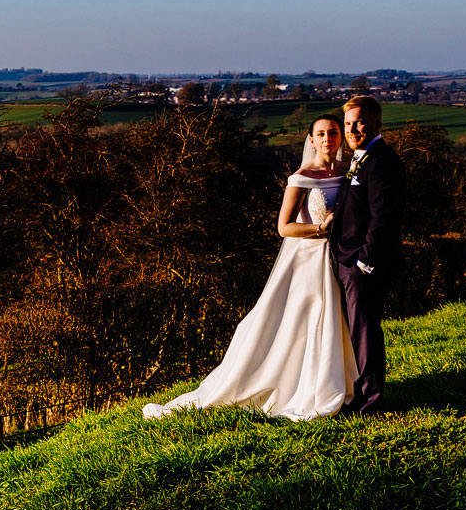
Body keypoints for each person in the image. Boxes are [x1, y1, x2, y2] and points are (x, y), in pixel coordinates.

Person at [143, 115, 359, 422]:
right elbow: (284, 227)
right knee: (311, 319)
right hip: (311, 260)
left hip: (342, 256)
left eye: (333, 132)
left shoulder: (347, 172)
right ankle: (306, 387)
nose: (328, 138)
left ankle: (338, 381)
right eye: (321, 134)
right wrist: (320, 229)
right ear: (311, 140)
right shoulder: (301, 177)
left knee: (340, 320)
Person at [330, 94, 404, 415]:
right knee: (355, 331)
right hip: (345, 259)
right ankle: (356, 391)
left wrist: (365, 261)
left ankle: (371, 401)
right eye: (348, 124)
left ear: (376, 122)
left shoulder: (382, 160)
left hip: (363, 264)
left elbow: (384, 216)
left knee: (365, 331)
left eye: (359, 122)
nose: (352, 129)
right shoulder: (359, 158)